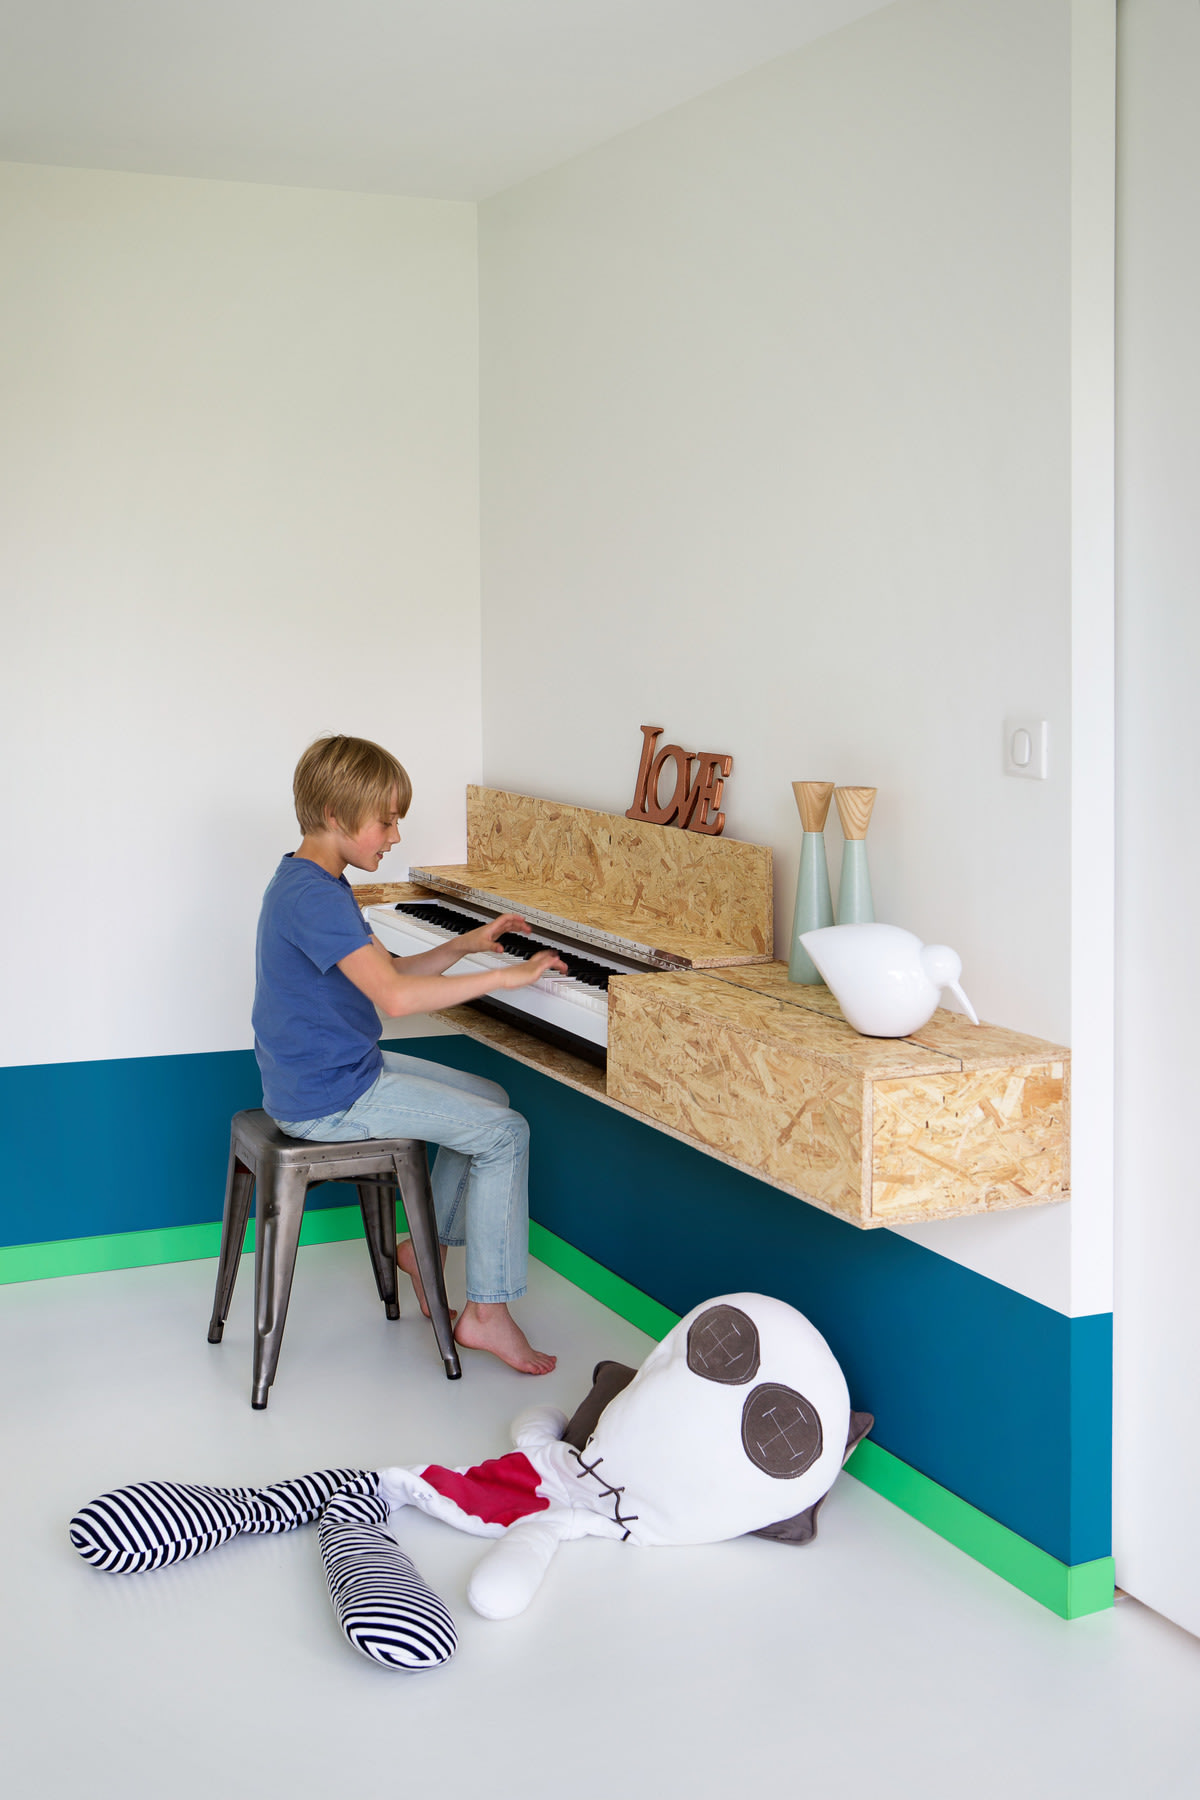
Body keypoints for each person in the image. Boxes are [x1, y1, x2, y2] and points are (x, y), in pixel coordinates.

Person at [252, 734, 564, 1375]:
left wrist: (469, 944)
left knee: (490, 1100)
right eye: (386, 821)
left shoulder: (313, 878)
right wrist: (504, 978)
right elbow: (394, 998)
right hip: (330, 1098)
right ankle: (488, 1314)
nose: (394, 836)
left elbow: (386, 969)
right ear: (337, 816)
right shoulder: (314, 896)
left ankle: (423, 1254)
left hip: (336, 1073)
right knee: (507, 1134)